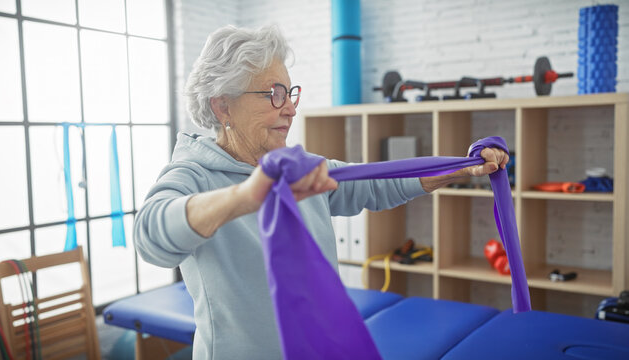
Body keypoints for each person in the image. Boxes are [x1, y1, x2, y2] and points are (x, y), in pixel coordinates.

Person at [134, 24, 508, 359]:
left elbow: (375, 181)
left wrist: (460, 167)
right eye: (273, 94)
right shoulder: (193, 173)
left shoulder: (297, 168)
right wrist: (244, 197)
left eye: (291, 92)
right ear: (223, 106)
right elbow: (150, 234)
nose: (291, 109)